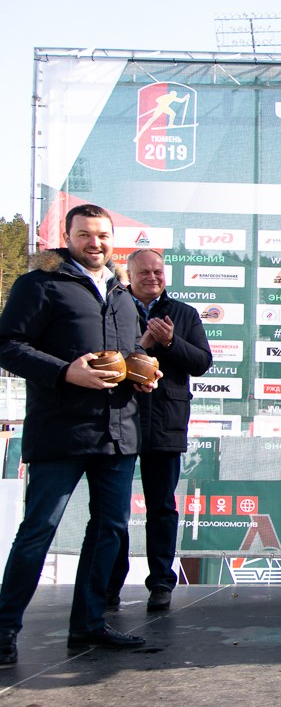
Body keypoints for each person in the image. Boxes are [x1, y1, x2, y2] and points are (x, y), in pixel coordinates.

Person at [0, 204, 160, 663]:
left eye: (103, 235)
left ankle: (88, 624)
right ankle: (5, 628)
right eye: (85, 234)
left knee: (110, 530)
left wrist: (141, 371)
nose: (95, 243)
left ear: (113, 240)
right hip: (61, 432)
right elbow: (8, 345)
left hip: (118, 433)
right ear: (67, 237)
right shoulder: (40, 284)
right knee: (39, 529)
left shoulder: (122, 294)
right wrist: (65, 371)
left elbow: (125, 353)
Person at [107, 248, 213, 612]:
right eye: (144, 272)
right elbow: (105, 357)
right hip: (118, 418)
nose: (152, 277)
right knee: (113, 509)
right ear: (130, 275)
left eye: (158, 271)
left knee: (162, 507)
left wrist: (170, 342)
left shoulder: (183, 313)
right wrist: (144, 345)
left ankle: (162, 583)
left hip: (166, 421)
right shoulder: (113, 309)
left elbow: (202, 362)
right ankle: (110, 585)